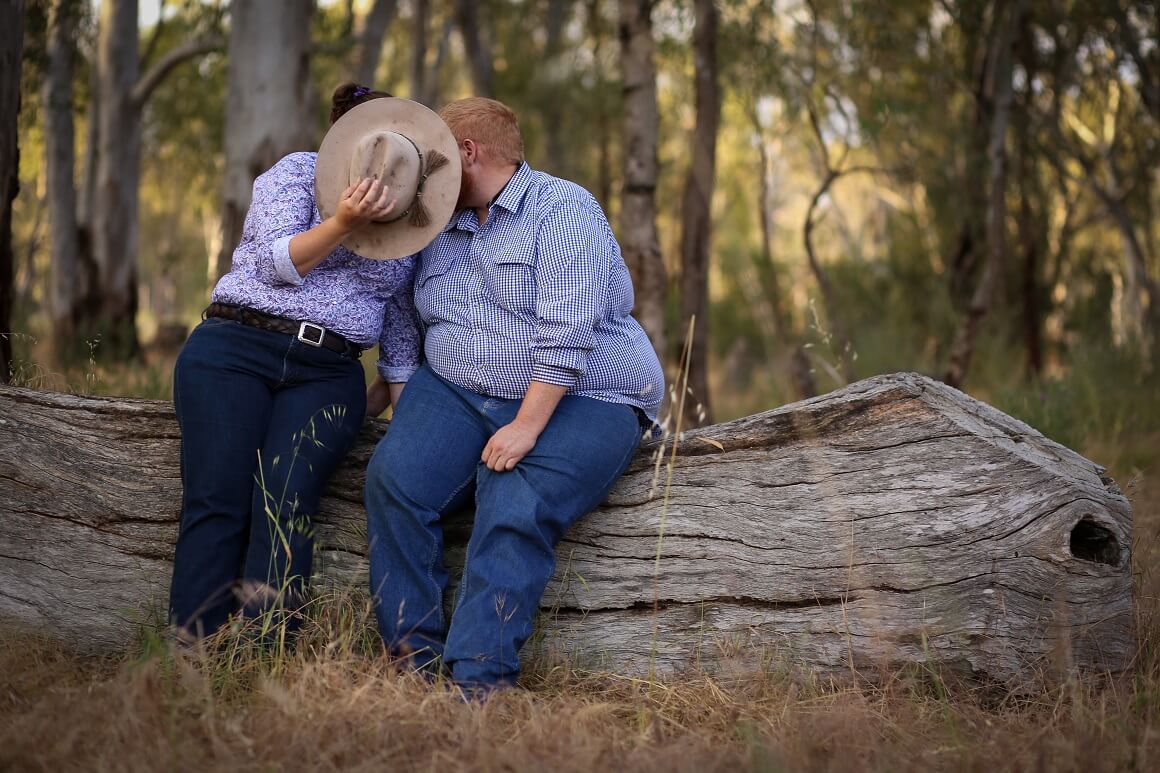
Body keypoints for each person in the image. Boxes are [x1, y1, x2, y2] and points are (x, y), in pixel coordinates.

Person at [364, 97, 665, 693]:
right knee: (394, 480)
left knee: (511, 495)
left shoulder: (565, 209)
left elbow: (571, 331)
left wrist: (527, 426)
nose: (425, 175)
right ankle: (411, 669)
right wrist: (403, 397)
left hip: (586, 393)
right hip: (456, 387)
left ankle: (478, 686)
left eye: (436, 159)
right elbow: (402, 311)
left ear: (467, 153)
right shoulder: (432, 218)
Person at [168, 84, 461, 643]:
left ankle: (267, 646)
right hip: (237, 346)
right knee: (217, 493)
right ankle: (192, 643)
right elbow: (278, 264)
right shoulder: (294, 174)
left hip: (328, 371)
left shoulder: (414, 217)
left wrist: (409, 428)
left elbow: (400, 331)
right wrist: (344, 222)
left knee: (286, 496)